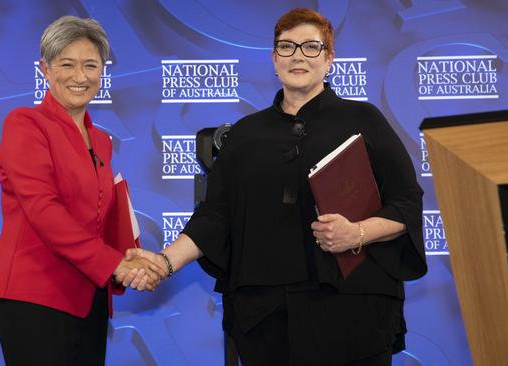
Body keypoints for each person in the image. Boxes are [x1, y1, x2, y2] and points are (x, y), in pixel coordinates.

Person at [121, 8, 427, 366]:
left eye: (311, 47)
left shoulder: (364, 120)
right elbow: (214, 219)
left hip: (353, 314)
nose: (298, 55)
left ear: (329, 59)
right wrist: (162, 262)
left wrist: (357, 233)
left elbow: (407, 203)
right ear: (274, 59)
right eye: (287, 46)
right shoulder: (244, 135)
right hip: (266, 320)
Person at [0, 15, 165, 365]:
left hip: (89, 298)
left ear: (103, 70)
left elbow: (98, 215)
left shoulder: (100, 139)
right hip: (35, 297)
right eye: (66, 65)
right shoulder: (25, 124)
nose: (80, 76)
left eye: (90, 65)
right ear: (45, 69)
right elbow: (44, 210)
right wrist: (114, 264)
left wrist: (126, 258)